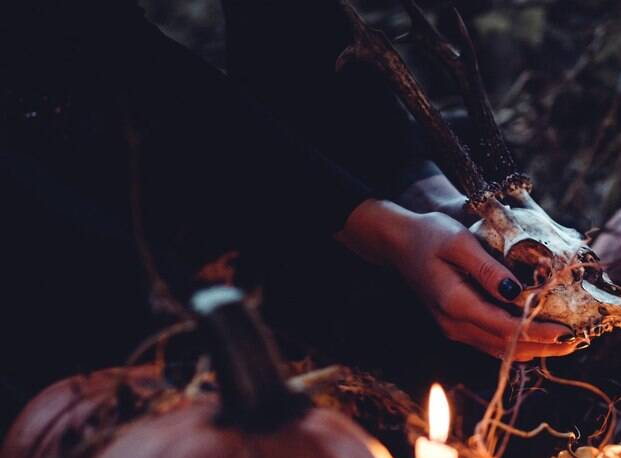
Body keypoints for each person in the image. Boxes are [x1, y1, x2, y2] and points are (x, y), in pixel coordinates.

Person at [0, 2, 575, 420]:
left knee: (406, 330)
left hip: (152, 114)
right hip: (42, 129)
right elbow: (107, 55)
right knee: (162, 363)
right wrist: (377, 223)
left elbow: (290, 25)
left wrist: (423, 193)